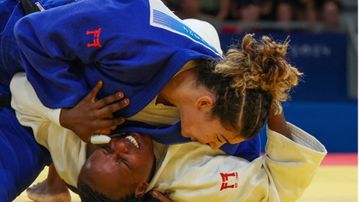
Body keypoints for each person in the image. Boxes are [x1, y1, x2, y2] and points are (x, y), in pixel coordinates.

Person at [7, 71, 326, 202]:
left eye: (107, 152)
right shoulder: (197, 181)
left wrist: (67, 117)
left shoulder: (81, 152)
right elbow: (280, 185)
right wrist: (270, 102)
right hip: (234, 145)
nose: (120, 145)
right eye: (123, 161)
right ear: (144, 186)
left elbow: (22, 89)